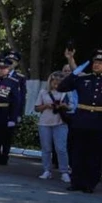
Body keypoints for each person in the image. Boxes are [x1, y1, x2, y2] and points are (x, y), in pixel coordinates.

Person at [57, 47, 102, 193]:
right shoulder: (83, 79)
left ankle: (89, 183)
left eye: (100, 63)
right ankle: (76, 182)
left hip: (98, 122)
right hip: (81, 120)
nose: (97, 64)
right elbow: (62, 87)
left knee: (94, 155)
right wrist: (73, 70)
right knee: (77, 153)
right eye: (95, 62)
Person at [34, 71, 71, 182]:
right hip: (44, 122)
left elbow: (72, 106)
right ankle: (47, 170)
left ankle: (64, 171)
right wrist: (46, 106)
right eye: (54, 83)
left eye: (59, 83)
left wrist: (64, 105)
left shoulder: (66, 93)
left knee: (61, 148)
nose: (56, 85)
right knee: (46, 148)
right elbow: (36, 108)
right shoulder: (43, 92)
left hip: (60, 122)